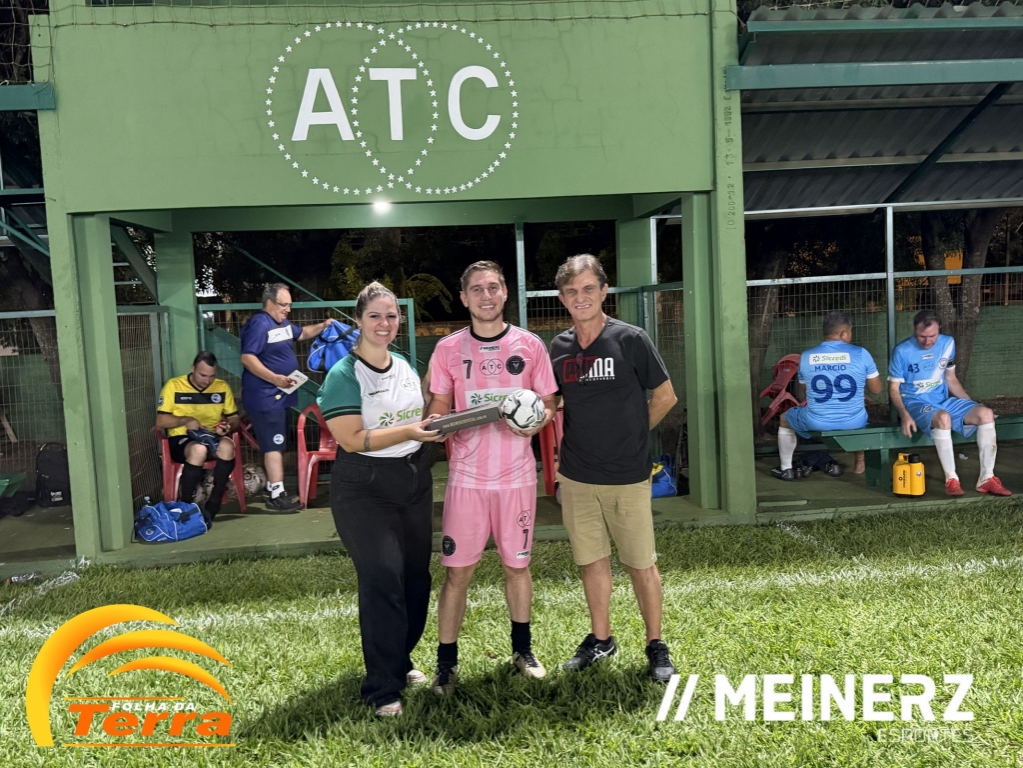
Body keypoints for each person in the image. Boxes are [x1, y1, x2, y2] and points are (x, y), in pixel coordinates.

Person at [426, 261, 558, 695]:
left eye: (494, 287)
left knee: (517, 567)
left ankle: (523, 650)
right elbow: (438, 406)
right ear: (464, 298)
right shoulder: (448, 349)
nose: (487, 296)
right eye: (477, 289)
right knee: (457, 575)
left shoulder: (530, 345)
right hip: (467, 480)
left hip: (516, 479)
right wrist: (442, 422)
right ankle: (446, 664)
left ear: (504, 293)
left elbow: (550, 402)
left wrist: (535, 420)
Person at [316, 281, 446, 718]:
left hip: (413, 478)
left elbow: (416, 416)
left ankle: (399, 660)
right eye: (375, 316)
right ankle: (381, 688)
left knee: (415, 579)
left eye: (391, 315)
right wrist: (410, 431)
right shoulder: (343, 374)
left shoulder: (404, 366)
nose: (384, 323)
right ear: (358, 320)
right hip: (364, 487)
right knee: (383, 579)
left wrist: (433, 424)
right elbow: (351, 439)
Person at [548, 254, 679, 683]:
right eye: (571, 291)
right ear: (562, 298)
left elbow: (665, 396)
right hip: (577, 474)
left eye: (589, 288)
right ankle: (601, 639)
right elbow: (553, 401)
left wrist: (633, 436)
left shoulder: (630, 339)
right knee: (591, 561)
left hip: (627, 474)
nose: (580, 297)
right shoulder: (559, 347)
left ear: (604, 291)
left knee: (641, 563)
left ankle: (655, 643)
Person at [889, 309, 1011, 497]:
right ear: (914, 330)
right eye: (922, 336)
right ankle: (951, 479)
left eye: (932, 336)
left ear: (939, 329)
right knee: (943, 418)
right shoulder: (902, 351)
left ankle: (986, 478)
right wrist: (904, 415)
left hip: (942, 401)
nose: (927, 341)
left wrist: (972, 406)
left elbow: (951, 379)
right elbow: (893, 388)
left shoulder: (948, 343)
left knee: (985, 414)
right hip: (915, 402)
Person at [240, 282, 337, 512]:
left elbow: (301, 333)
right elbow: (247, 358)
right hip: (265, 396)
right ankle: (277, 494)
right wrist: (274, 378)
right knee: (273, 444)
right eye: (284, 305)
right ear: (270, 303)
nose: (288, 309)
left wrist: (323, 325)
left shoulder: (282, 323)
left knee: (277, 442)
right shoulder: (259, 324)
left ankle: (274, 488)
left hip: (280, 395)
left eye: (289, 305)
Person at [773, 311, 883, 480]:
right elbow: (876, 390)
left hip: (817, 421)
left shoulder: (806, 356)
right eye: (850, 331)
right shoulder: (861, 353)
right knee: (861, 416)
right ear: (844, 333)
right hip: (854, 421)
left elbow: (805, 390)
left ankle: (786, 469)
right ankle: (859, 462)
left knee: (784, 419)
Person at [155, 351, 240, 519]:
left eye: (212, 376)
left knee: (228, 447)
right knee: (199, 450)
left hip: (211, 436)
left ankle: (214, 503)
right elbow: (161, 421)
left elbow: (234, 418)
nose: (207, 381)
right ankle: (185, 505)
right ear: (192, 369)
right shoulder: (174, 385)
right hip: (181, 439)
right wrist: (186, 420)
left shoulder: (222, 387)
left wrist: (228, 426)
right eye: (203, 375)